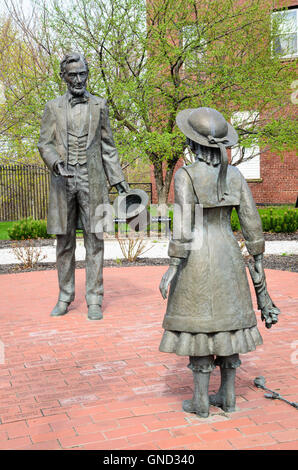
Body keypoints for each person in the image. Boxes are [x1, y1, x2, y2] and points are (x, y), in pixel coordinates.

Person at [159, 107, 280, 417]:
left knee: (200, 328)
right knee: (227, 324)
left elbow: (184, 225)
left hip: (197, 259)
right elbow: (251, 222)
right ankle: (228, 396)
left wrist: (173, 265)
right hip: (228, 254)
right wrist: (258, 262)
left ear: (194, 144)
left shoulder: (185, 175)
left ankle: (200, 401)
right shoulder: (237, 175)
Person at [38, 52, 129, 320]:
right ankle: (65, 296)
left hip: (93, 181)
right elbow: (45, 143)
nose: (79, 79)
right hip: (63, 181)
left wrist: (119, 181)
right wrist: (56, 163)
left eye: (83, 74)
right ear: (63, 76)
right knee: (64, 242)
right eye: (73, 74)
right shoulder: (52, 107)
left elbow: (108, 147)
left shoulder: (100, 105)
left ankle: (94, 299)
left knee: (95, 240)